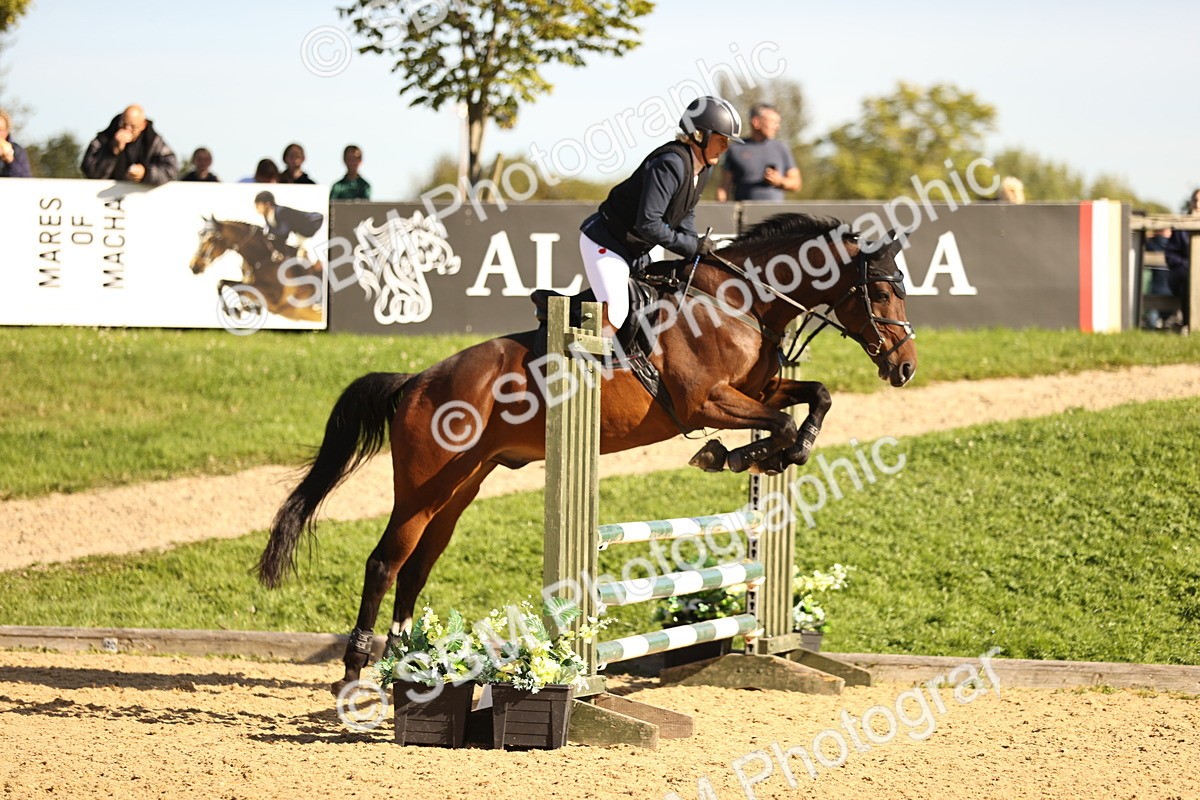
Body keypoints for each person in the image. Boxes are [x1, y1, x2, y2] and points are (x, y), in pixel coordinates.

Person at [579, 95, 740, 329]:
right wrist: (690, 246)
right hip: (606, 243)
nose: (725, 148)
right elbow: (648, 223)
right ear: (699, 135)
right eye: (721, 140)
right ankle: (592, 363)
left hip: (635, 250)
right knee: (616, 313)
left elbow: (685, 212)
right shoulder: (670, 163)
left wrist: (695, 245)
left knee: (651, 309)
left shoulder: (703, 169)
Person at [715, 103, 800, 202]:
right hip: (745, 215)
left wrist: (779, 181)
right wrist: (720, 212)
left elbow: (796, 183)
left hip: (776, 215)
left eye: (778, 123)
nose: (777, 127)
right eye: (773, 122)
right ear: (756, 122)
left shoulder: (781, 148)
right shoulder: (735, 148)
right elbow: (724, 187)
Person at [80, 104, 178, 185]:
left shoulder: (154, 142)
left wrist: (146, 173)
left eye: (133, 127)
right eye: (123, 124)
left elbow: (172, 170)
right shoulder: (103, 139)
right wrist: (112, 152)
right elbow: (90, 173)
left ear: (143, 125)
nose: (127, 129)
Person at [254, 190, 324, 265]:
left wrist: (269, 236)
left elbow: (284, 232)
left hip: (317, 225)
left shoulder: (281, 212)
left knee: (316, 259)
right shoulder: (267, 216)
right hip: (303, 234)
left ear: (267, 204)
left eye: (258, 204)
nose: (256, 207)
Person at [1163, 188, 1200, 330]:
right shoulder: (1181, 226)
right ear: (1190, 203)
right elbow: (1170, 255)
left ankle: (1189, 324)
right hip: (1181, 274)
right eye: (1195, 200)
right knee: (1188, 277)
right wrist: (1189, 265)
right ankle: (1188, 324)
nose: (1198, 204)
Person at [0, 109, 31, 178]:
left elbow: (25, 179)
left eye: (0, 130)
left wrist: (10, 161)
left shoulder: (17, 151)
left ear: (6, 131)